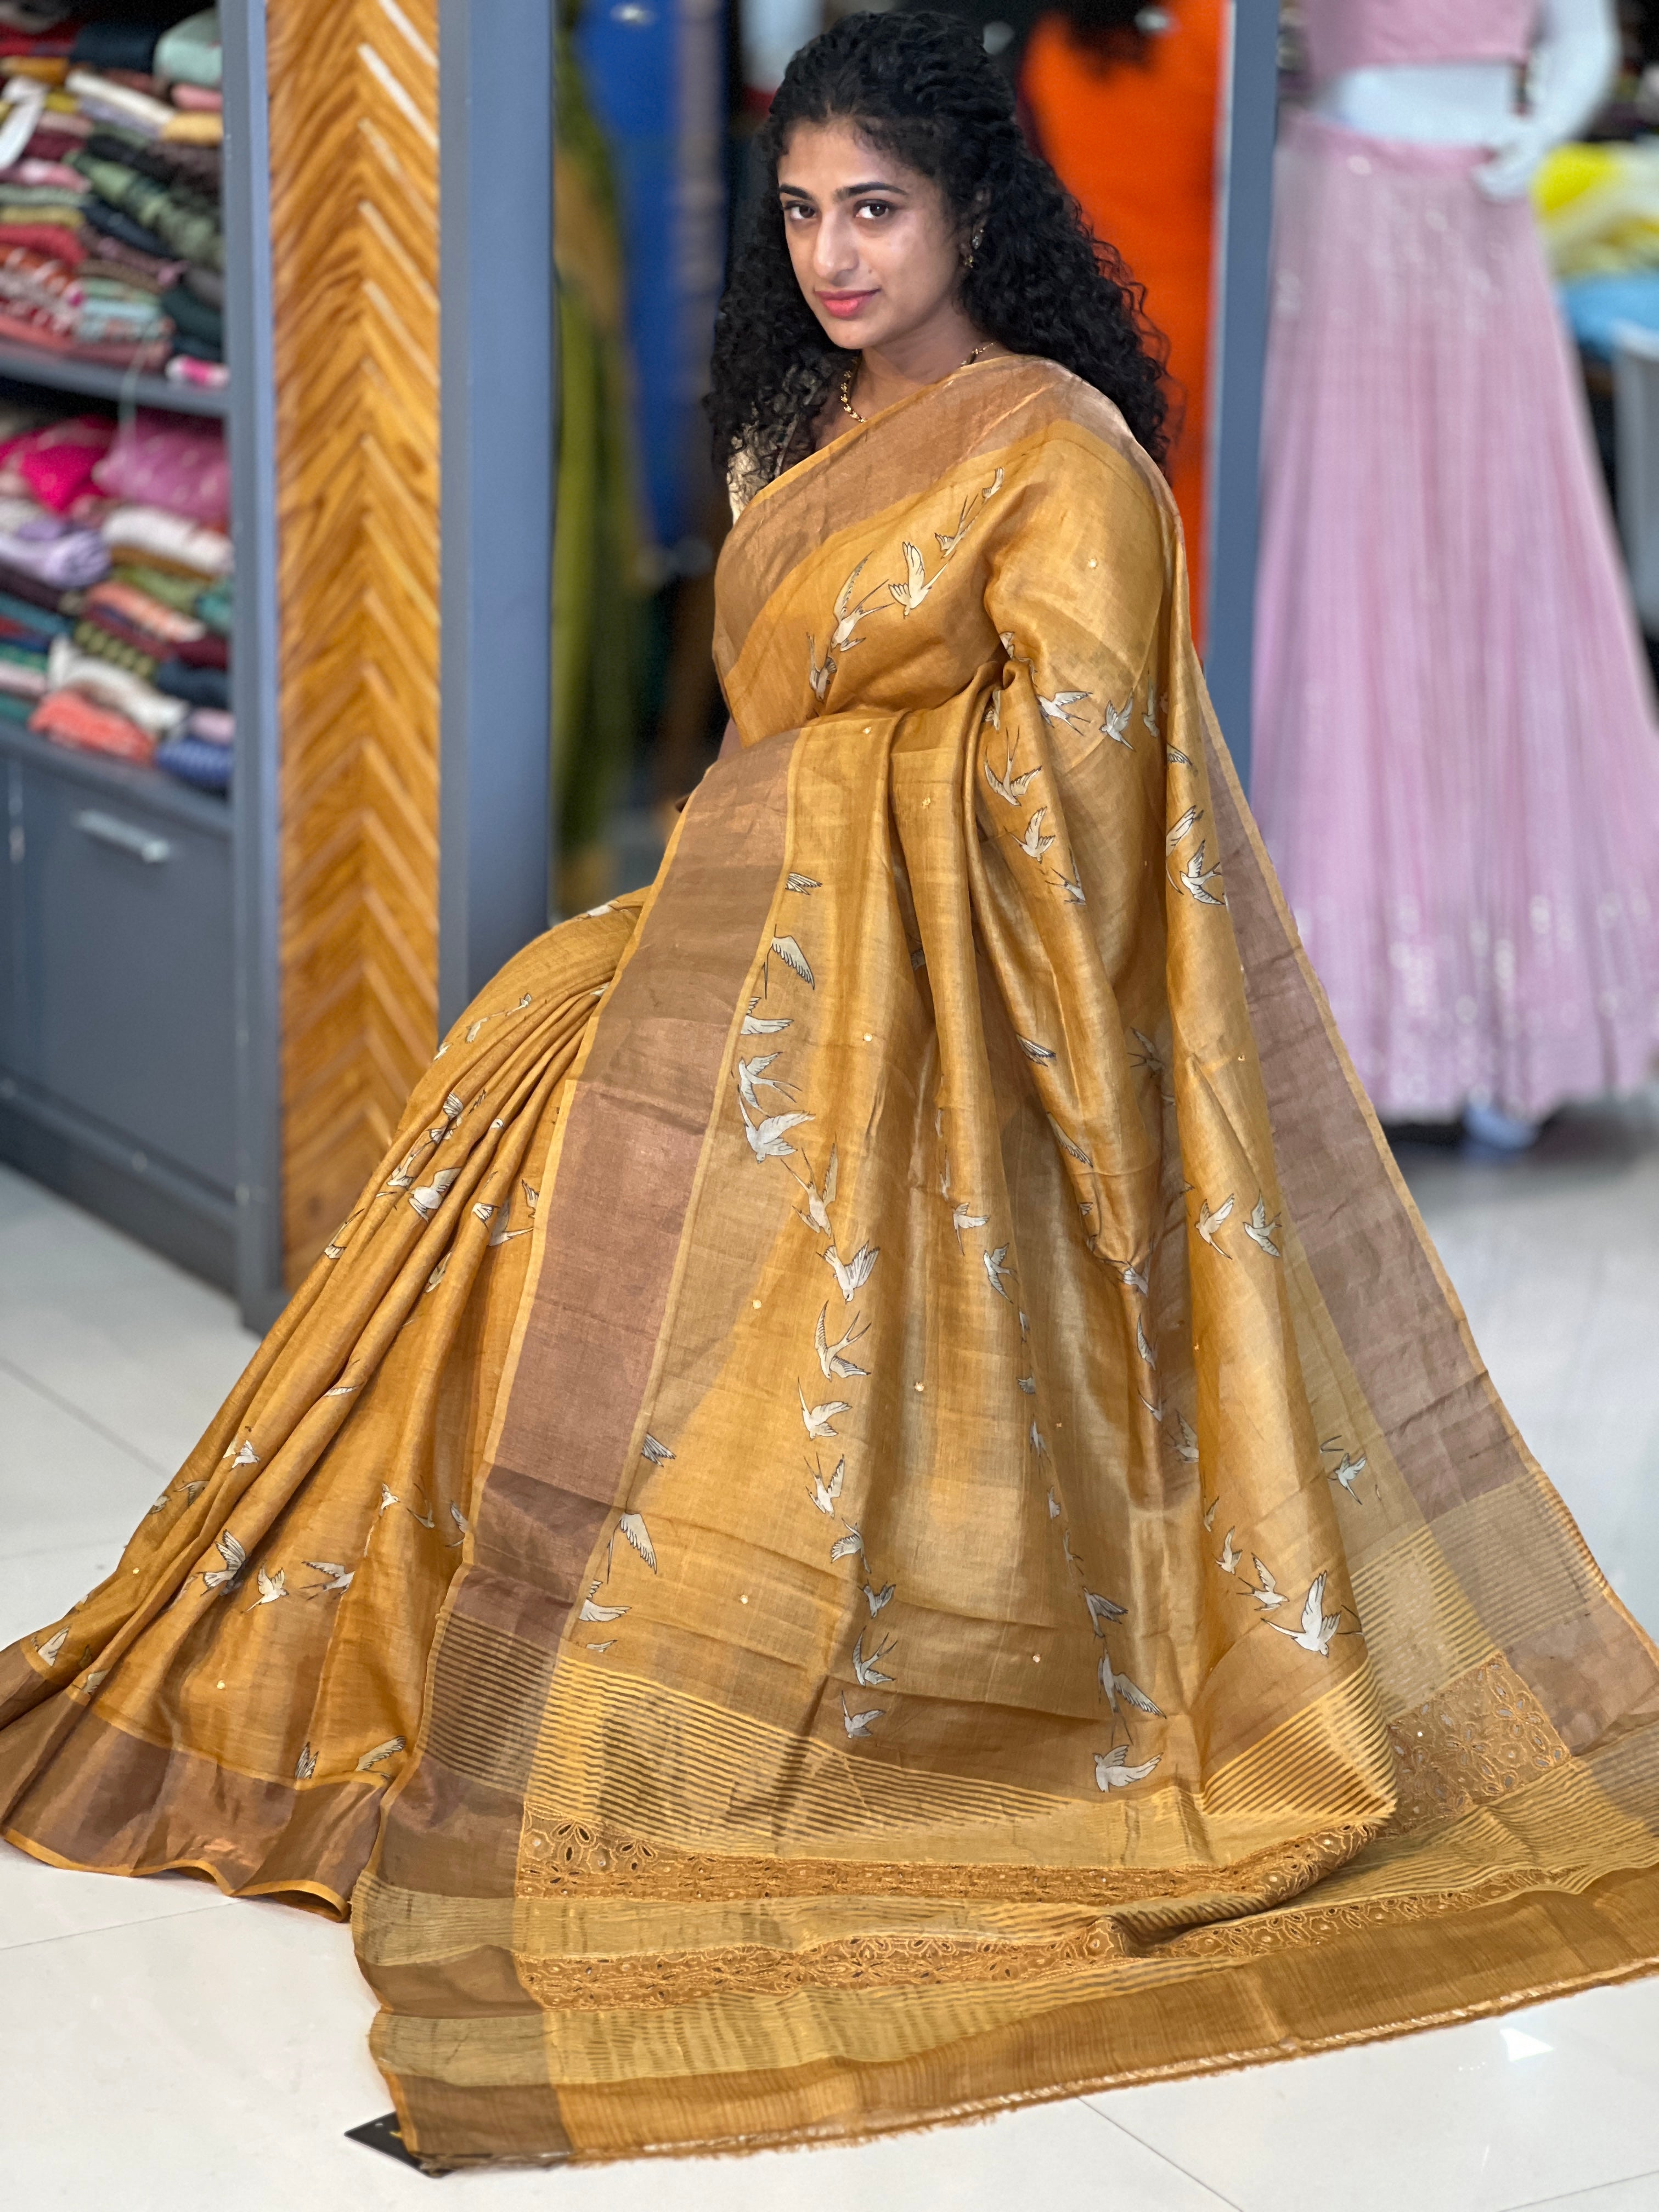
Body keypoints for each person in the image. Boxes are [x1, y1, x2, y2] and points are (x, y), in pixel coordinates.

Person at [2, 12, 1657, 2172]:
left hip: (971, 1010)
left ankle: (709, 1692)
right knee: (517, 1076)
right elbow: (765, 739)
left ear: (973, 209)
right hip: (777, 932)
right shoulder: (804, 425)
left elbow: (1081, 791)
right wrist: (741, 890)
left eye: (875, 209)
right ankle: (482, 1637)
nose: (834, 255)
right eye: (799, 214)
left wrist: (816, 851)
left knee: (635, 1145)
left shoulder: (1056, 447)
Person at [1253, 0, 1659, 1149]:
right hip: (1348, 222)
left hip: (1490, 221)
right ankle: (1354, 1022)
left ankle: (1522, 1019)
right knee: (1349, 564)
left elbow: (1582, 35)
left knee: (1509, 563)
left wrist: (1542, 128)